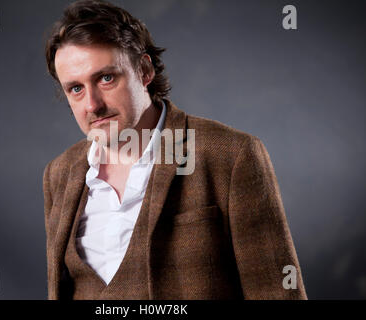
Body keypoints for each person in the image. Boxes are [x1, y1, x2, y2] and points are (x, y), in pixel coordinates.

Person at [42, 0, 307, 300]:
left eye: (106, 78)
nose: (92, 105)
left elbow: (277, 293)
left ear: (143, 71)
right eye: (75, 88)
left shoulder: (230, 156)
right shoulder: (59, 173)